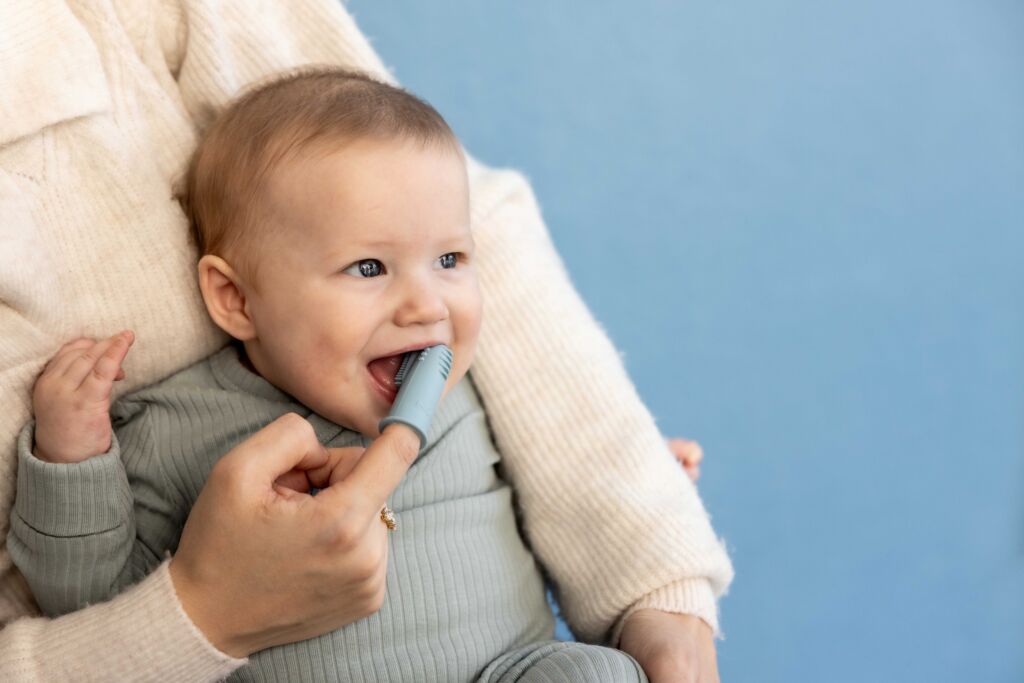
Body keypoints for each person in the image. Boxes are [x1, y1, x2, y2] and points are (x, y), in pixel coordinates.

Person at [0, 1, 732, 681]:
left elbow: (554, 466)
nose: (427, 305)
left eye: (451, 260)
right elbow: (86, 589)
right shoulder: (168, 425)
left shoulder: (463, 391)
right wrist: (75, 460)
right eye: (369, 267)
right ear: (235, 298)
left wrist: (638, 477)